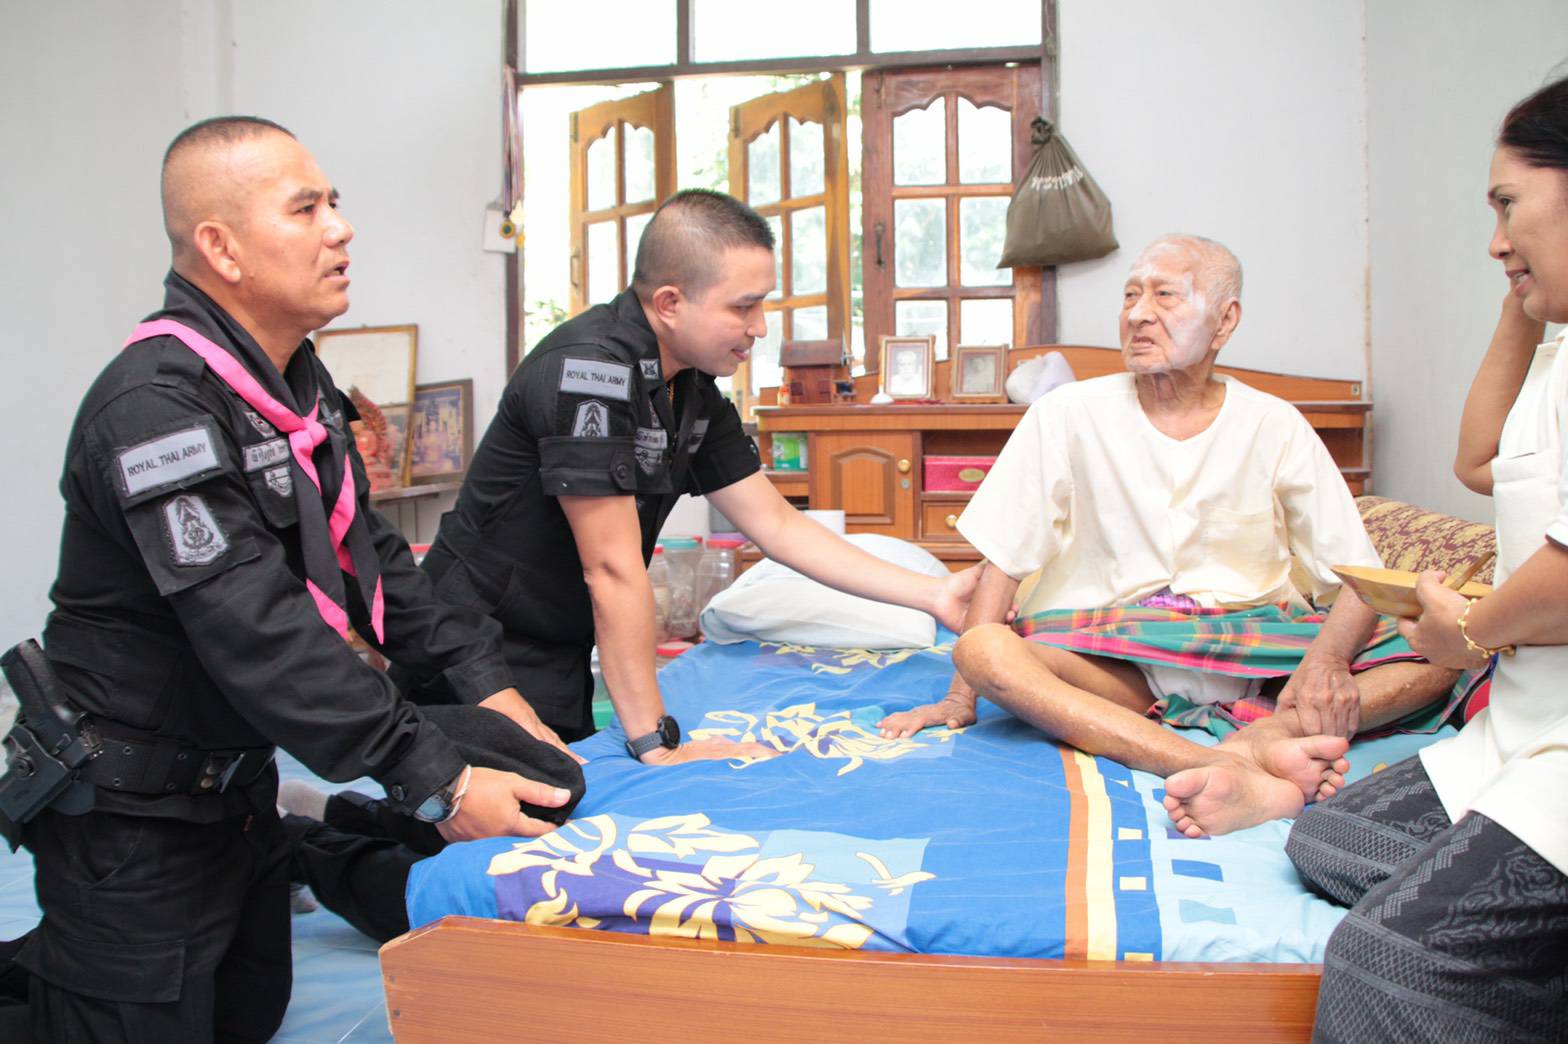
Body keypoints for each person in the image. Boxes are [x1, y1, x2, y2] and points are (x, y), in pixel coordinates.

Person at [0, 116, 583, 1043]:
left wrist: (491, 692)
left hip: (236, 798)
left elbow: (374, 562)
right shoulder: (156, 409)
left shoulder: (292, 386)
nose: (340, 228)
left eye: (335, 202)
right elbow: (256, 625)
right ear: (220, 247)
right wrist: (433, 781)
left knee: (247, 1013)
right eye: (306, 207)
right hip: (134, 819)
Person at [879, 234, 1461, 836]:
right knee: (982, 650)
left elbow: (1356, 575)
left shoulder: (1274, 423)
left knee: (1444, 662)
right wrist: (960, 696)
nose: (1137, 314)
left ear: (1224, 321)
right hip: (1113, 663)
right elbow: (1004, 559)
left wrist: (1328, 663)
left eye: (1164, 296)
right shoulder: (1065, 414)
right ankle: (1228, 765)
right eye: (1130, 295)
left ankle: (1271, 735)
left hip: (1259, 650)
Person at [410, 188, 978, 760]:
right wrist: (659, 743)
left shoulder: (690, 390)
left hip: (556, 644)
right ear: (670, 302)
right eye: (742, 306)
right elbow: (609, 568)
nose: (759, 327)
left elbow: (778, 526)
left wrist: (934, 594)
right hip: (472, 645)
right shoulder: (588, 374)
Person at [1287, 77, 1568, 1041]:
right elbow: (1480, 461)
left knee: (1384, 959)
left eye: (1506, 205)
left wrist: (1468, 634)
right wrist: (1527, 294)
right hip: (1521, 736)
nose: (1493, 239)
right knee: (1328, 837)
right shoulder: (1560, 346)